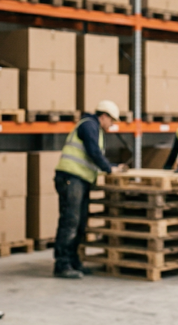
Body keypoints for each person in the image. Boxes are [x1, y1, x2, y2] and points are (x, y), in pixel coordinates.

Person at [53, 100, 127, 279]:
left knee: (80, 223)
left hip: (81, 180)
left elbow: (96, 155)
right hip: (71, 179)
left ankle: (74, 262)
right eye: (112, 121)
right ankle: (62, 264)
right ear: (104, 116)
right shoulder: (88, 125)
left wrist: (111, 166)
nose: (112, 125)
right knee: (70, 222)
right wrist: (110, 169)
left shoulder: (96, 129)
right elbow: (93, 152)